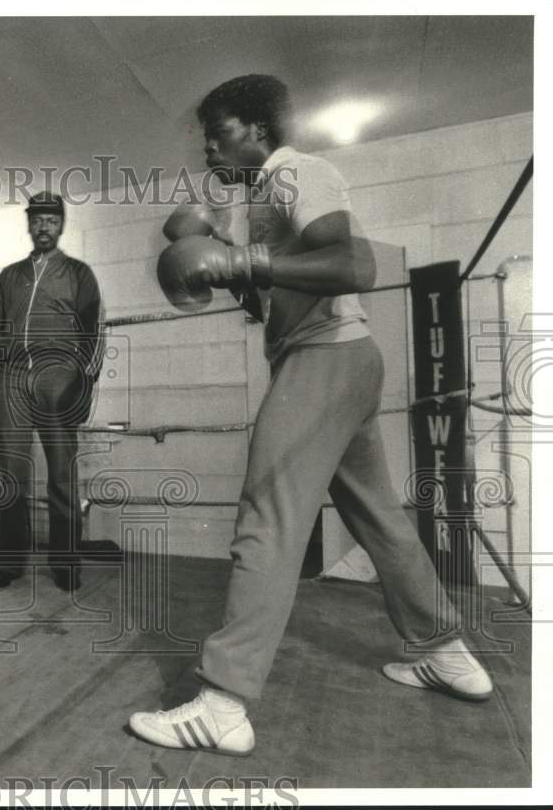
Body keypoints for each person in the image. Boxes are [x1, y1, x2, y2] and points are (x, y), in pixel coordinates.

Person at [129, 74, 492, 755]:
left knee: (267, 514)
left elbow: (353, 263)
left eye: (221, 131)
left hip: (323, 361)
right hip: (341, 361)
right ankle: (443, 650)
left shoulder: (297, 173)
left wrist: (242, 257)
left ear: (259, 132)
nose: (208, 147)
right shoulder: (256, 203)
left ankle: (223, 702)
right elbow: (272, 294)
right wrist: (224, 263)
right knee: (376, 515)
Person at [0, 193, 104, 592]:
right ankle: (11, 563)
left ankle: (66, 565)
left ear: (61, 225)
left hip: (59, 377)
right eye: (38, 220)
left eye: (51, 220)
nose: (44, 226)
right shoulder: (9, 276)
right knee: (11, 475)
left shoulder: (78, 273)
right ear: (29, 225)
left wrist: (84, 381)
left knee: (62, 477)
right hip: (12, 379)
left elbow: (95, 330)